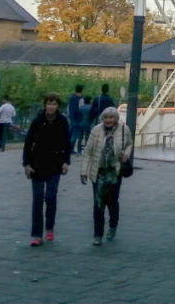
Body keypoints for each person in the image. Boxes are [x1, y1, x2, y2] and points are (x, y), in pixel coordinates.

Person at [22, 93, 71, 246]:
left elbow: (67, 143)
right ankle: (36, 234)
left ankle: (49, 227)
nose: (51, 106)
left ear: (58, 106)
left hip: (55, 165)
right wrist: (26, 164)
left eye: (54, 104)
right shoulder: (37, 122)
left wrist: (66, 162)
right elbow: (28, 143)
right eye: (49, 104)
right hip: (37, 165)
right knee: (37, 199)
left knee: (50, 197)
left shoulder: (62, 121)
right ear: (45, 105)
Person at [81, 107, 133, 246]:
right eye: (106, 118)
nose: (108, 120)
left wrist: (126, 154)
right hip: (99, 172)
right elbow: (88, 152)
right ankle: (98, 235)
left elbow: (129, 144)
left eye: (111, 118)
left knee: (112, 202)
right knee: (98, 204)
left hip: (114, 172)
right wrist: (84, 171)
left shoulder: (124, 129)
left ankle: (112, 226)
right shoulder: (96, 130)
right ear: (102, 119)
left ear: (116, 118)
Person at [68, 85, 86, 155]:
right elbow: (81, 109)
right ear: (81, 90)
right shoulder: (80, 99)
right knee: (75, 135)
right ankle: (71, 149)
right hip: (78, 118)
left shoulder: (71, 98)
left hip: (71, 117)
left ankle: (68, 148)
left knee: (71, 133)